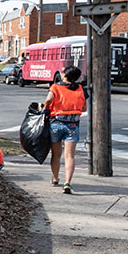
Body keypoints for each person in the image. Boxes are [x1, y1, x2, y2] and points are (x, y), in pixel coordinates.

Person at [43, 65, 87, 194]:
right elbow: (84, 108)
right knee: (70, 156)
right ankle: (67, 182)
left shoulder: (56, 87)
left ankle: (55, 178)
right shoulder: (81, 89)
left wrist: (46, 108)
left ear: (65, 75)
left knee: (56, 154)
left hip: (56, 123)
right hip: (73, 125)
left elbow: (49, 100)